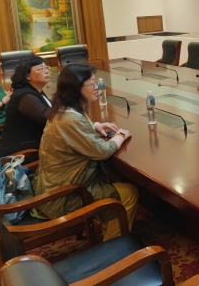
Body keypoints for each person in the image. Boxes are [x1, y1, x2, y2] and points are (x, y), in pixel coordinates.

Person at [31, 64, 136, 241]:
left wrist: (94, 126)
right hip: (64, 196)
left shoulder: (63, 110)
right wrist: (121, 136)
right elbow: (102, 151)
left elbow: (74, 130)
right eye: (92, 84)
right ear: (76, 89)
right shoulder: (70, 119)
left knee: (114, 176)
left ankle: (108, 223)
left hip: (57, 184)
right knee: (128, 193)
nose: (97, 88)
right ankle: (114, 247)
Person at [0, 57, 52, 158]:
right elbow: (48, 118)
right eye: (41, 69)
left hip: (34, 144)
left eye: (46, 67)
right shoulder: (25, 96)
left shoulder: (35, 90)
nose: (46, 71)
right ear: (27, 76)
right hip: (22, 153)